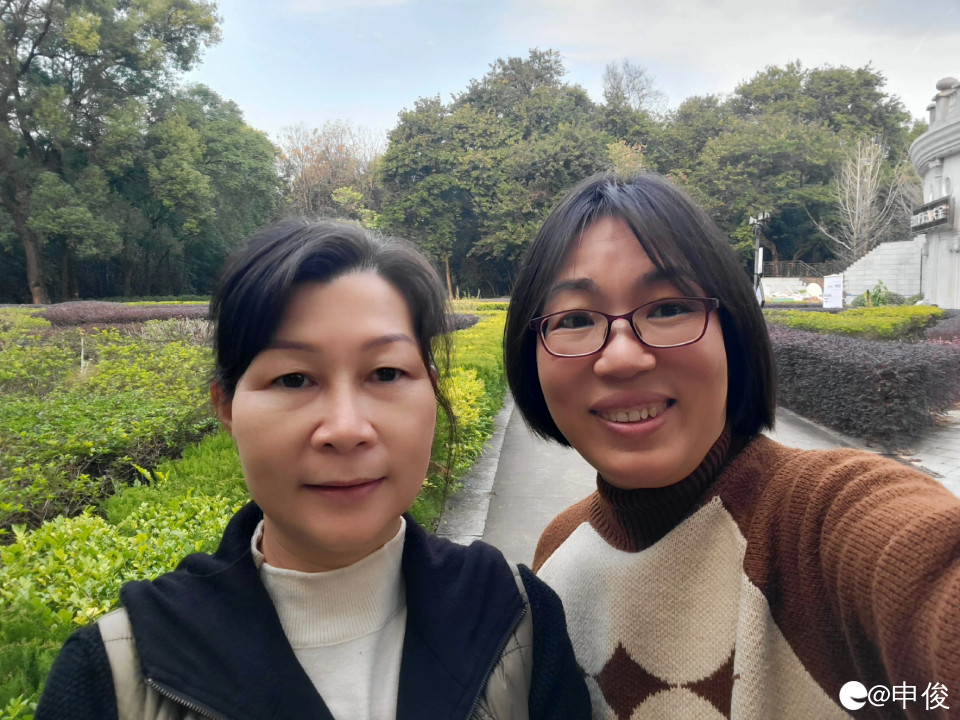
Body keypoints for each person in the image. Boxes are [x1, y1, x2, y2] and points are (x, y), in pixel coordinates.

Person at [37, 219, 590, 720]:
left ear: (432, 390)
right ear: (226, 408)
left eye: (386, 373)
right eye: (294, 379)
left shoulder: (516, 620)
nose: (346, 429)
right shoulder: (114, 676)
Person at [503, 173, 960, 719]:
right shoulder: (556, 555)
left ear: (733, 330)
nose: (622, 358)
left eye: (668, 308)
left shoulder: (825, 518)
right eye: (575, 319)